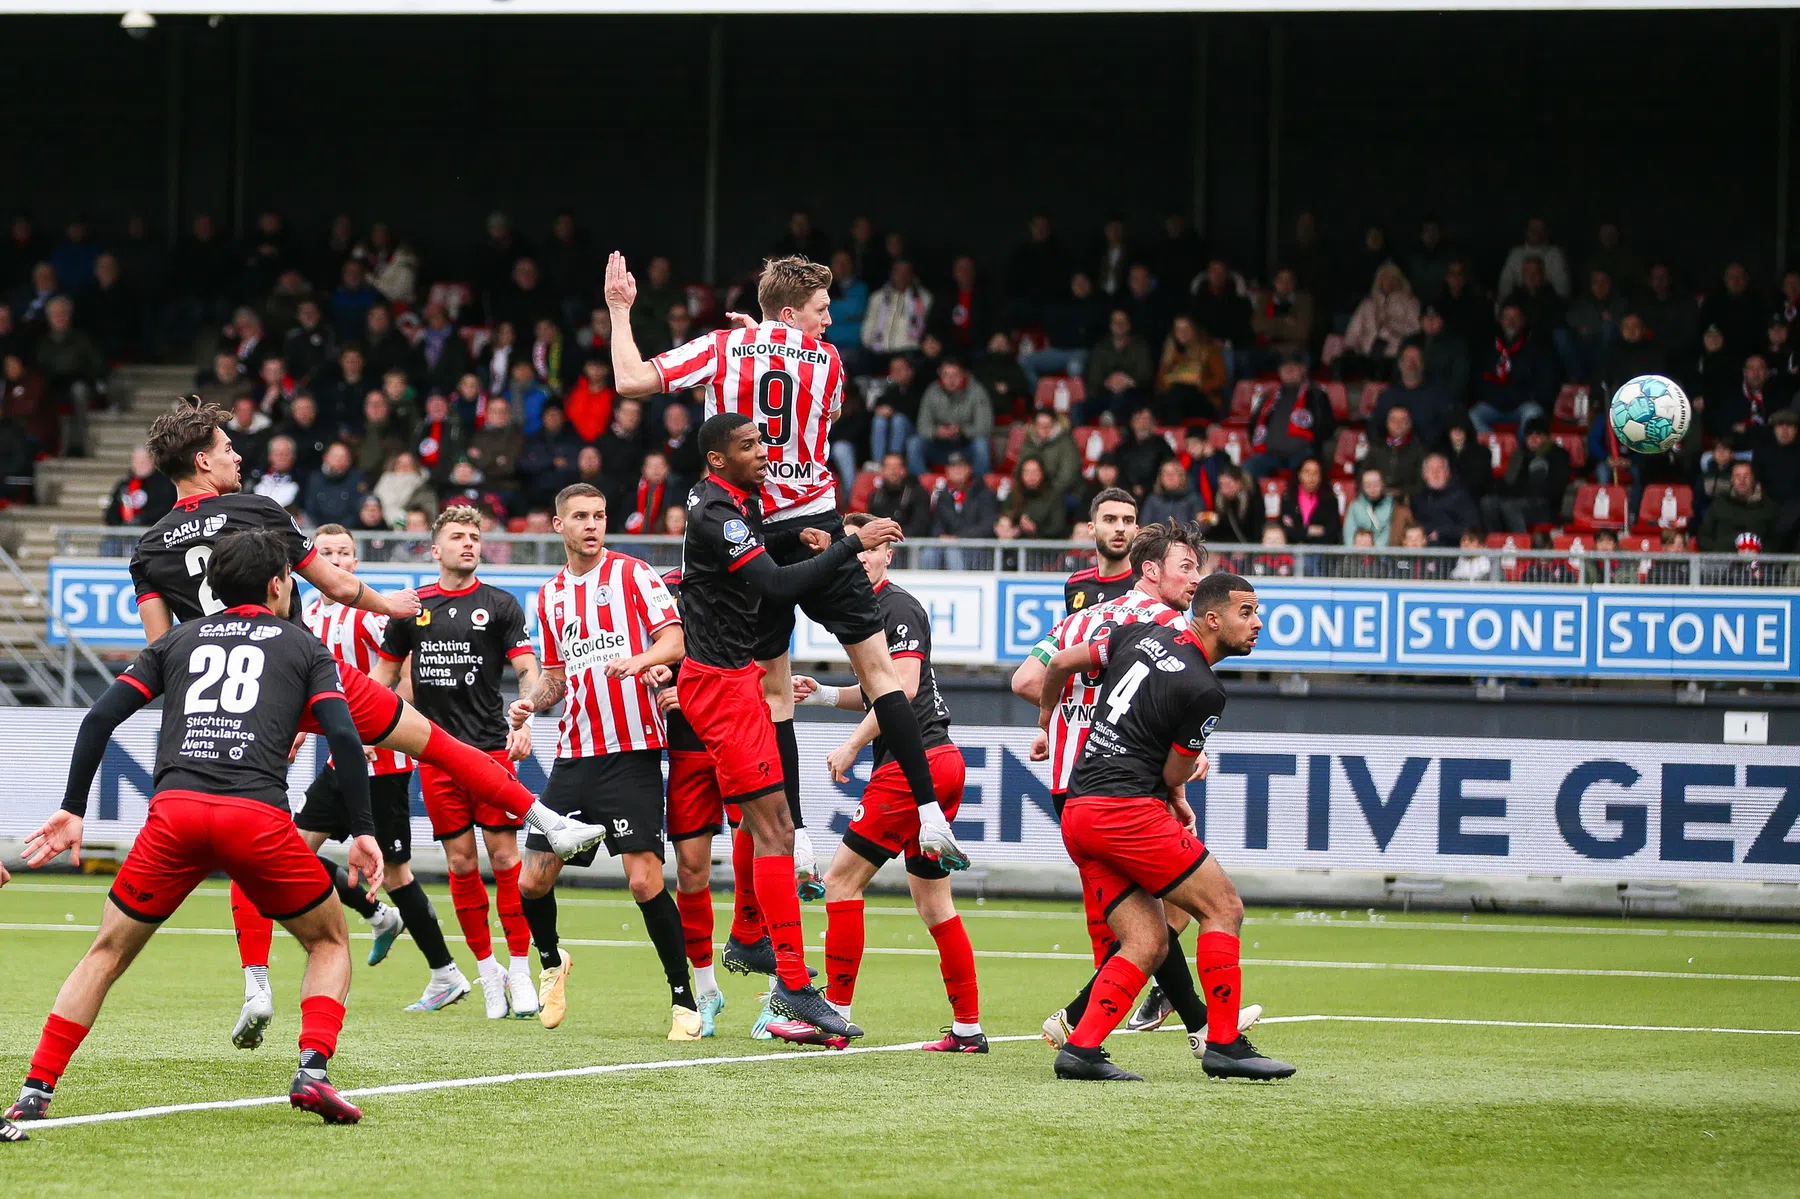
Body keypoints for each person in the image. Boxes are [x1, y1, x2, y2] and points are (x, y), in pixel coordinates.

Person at [607, 252, 968, 906]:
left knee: (776, 693)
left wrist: (620, 308)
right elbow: (820, 413)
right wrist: (773, 342)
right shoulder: (828, 361)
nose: (829, 321)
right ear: (792, 312)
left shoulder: (722, 347)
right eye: (822, 310)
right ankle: (931, 815)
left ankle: (798, 841)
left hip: (754, 531)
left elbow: (631, 380)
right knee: (880, 674)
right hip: (819, 521)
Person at [9, 530, 381, 1125]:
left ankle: (35, 1090)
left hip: (175, 814)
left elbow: (100, 717)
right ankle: (313, 1071)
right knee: (329, 941)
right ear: (279, 584)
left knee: (106, 952)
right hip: (255, 816)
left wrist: (73, 806)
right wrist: (361, 829)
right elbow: (342, 734)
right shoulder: (304, 647)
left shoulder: (178, 639)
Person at [671, 411, 909, 1042]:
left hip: (735, 681)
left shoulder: (727, 501)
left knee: (767, 825)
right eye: (749, 445)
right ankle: (794, 984)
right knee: (776, 829)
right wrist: (848, 544)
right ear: (718, 459)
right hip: (719, 688)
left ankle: (751, 940)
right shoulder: (718, 514)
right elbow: (774, 586)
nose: (764, 451)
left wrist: (792, 534)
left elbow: (755, 554)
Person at [1035, 549, 1282, 1081]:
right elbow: (1173, 771)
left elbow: (1056, 664)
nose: (1257, 623)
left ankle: (1080, 1050)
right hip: (1126, 811)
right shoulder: (1204, 690)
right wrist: (1178, 793)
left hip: (1079, 809)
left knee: (1147, 942)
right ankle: (1223, 1043)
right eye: (1246, 612)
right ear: (1211, 618)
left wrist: (1045, 718)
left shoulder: (1137, 633)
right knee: (1224, 907)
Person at [503, 484, 695, 1035]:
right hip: (574, 756)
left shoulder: (634, 574)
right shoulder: (551, 595)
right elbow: (555, 677)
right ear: (558, 525)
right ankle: (551, 962)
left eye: (600, 516)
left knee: (643, 882)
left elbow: (676, 641)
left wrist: (640, 660)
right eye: (581, 516)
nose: (592, 525)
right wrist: (530, 704)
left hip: (631, 752)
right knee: (531, 882)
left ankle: (683, 1000)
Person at [790, 513, 985, 1050]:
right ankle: (968, 1028)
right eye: (851, 550)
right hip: (941, 760)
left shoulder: (896, 606)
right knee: (935, 905)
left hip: (913, 763)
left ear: (887, 554)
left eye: (868, 550)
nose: (859, 559)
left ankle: (833, 1016)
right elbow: (877, 689)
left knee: (840, 882)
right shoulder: (865, 608)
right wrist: (824, 694)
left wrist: (852, 745)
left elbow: (902, 688)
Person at [371, 507, 544, 1020]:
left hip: (490, 750)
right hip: (436, 756)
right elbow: (382, 677)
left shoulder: (500, 604)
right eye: (457, 537)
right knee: (461, 864)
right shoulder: (411, 609)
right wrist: (351, 724)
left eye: (474, 536)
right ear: (435, 549)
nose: (468, 543)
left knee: (506, 859)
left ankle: (520, 970)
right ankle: (488, 973)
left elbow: (527, 668)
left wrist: (527, 712)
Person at [295, 526, 466, 1011]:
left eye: (344, 553)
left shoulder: (368, 614)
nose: (336, 560)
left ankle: (446, 974)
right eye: (326, 553)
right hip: (343, 760)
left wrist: (373, 730)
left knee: (394, 872)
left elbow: (406, 676)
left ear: (355, 561)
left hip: (384, 761)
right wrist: (299, 732)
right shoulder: (308, 616)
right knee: (292, 851)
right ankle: (377, 916)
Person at [1243, 352, 1336, 480]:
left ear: (1303, 369)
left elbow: (1327, 427)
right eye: (1285, 367)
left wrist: (1310, 444)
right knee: (1249, 467)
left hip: (1302, 454)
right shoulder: (1268, 397)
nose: (1289, 370)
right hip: (1270, 454)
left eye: (1294, 366)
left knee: (1308, 466)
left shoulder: (1316, 395)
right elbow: (1253, 426)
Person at [1470, 303, 1556, 434]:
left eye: (1515, 318)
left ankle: (1519, 448)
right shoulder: (1488, 348)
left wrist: (1516, 397)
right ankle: (1494, 446)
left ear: (1523, 321)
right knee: (1474, 414)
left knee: (1533, 413)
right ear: (1500, 321)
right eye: (1507, 317)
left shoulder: (1537, 349)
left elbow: (1545, 386)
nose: (1511, 322)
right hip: (1494, 405)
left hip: (1523, 405)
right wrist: (1496, 397)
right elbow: (1479, 381)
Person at [1480, 417, 1571, 533]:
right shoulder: (1519, 455)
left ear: (1546, 437)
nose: (1533, 438)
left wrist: (1521, 490)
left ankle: (1521, 542)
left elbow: (1555, 488)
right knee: (1488, 502)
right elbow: (1507, 482)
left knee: (1510, 506)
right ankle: (1495, 540)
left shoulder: (1558, 455)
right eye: (1530, 434)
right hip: (1517, 499)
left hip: (1544, 505)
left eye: (1538, 434)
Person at [909, 358, 994, 475]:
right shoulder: (932, 391)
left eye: (955, 375)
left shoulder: (977, 391)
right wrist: (936, 432)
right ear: (940, 376)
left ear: (963, 375)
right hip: (940, 447)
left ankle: (979, 484)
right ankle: (921, 483)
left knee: (981, 444)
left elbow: (984, 428)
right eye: (946, 375)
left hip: (966, 447)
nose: (950, 380)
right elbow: (922, 425)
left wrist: (961, 430)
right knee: (914, 443)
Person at [1338, 264, 1420, 380]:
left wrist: (1391, 323)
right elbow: (1353, 331)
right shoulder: (1368, 304)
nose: (1388, 281)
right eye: (1384, 278)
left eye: (1392, 278)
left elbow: (1415, 329)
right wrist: (1350, 347)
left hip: (1394, 356)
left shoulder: (1409, 303)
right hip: (1367, 355)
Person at [1063, 487, 1140, 610]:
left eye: (1128, 521)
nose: (1120, 528)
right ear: (1091, 528)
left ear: (1136, 531)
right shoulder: (1076, 585)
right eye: (1110, 520)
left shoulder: (1149, 586)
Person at [920, 452, 999, 569]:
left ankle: (959, 581)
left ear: (970, 469)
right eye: (953, 467)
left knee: (952, 552)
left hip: (976, 548)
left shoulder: (984, 494)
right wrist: (941, 535)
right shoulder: (943, 496)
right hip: (949, 545)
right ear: (947, 471)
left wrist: (959, 538)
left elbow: (988, 525)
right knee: (929, 553)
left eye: (961, 467)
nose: (957, 471)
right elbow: (937, 523)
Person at [1082, 309, 1153, 423]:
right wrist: (1108, 382)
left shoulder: (1140, 346)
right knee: (1078, 408)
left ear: (1129, 325)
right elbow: (1094, 377)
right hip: (1105, 395)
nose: (1119, 325)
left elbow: (1146, 374)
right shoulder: (1101, 347)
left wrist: (1128, 381)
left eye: (1122, 322)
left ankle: (1109, 419)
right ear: (1110, 325)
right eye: (1115, 322)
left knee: (1123, 398)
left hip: (1131, 395)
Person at [1154, 314, 1227, 421]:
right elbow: (1160, 384)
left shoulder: (1209, 350)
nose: (1182, 333)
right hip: (1175, 399)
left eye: (1186, 329)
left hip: (1203, 400)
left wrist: (1199, 385)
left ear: (1194, 330)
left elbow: (1220, 380)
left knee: (1179, 393)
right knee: (1168, 397)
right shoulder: (1170, 353)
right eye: (1178, 330)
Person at [1697, 461, 1778, 553]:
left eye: (1746, 476)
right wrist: (1721, 553)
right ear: (1732, 480)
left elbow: (1775, 541)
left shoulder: (1768, 507)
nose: (1742, 480)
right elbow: (1704, 537)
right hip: (1722, 559)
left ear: (1753, 479)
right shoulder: (1719, 504)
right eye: (1737, 476)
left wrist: (1760, 554)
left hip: (1758, 560)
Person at [1412, 452, 1483, 545]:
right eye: (1431, 469)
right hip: (1424, 549)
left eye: (1440, 468)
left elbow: (1472, 529)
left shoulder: (1461, 497)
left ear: (1447, 473)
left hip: (1454, 549)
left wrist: (1441, 533)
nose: (1435, 473)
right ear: (1424, 475)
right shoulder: (1418, 499)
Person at [104, 445, 175, 530]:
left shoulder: (165, 484)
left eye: (143, 460)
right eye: (136, 460)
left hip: (155, 531)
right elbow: (111, 512)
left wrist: (142, 520)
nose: (140, 464)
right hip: (125, 533)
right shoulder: (125, 485)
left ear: (152, 461)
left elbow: (166, 510)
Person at [1362, 404, 1426, 498]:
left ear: (1409, 424)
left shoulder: (1419, 450)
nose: (1397, 424)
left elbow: (1422, 484)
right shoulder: (1377, 448)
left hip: (1407, 500)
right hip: (1376, 498)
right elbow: (1363, 474)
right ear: (1387, 423)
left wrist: (1400, 492)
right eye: (1393, 420)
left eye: (1402, 420)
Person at [865, 451, 932, 537]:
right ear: (882, 471)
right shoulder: (875, 497)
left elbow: (920, 528)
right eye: (889, 467)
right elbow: (871, 527)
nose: (893, 472)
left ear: (904, 470)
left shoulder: (919, 494)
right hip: (882, 542)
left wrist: (895, 538)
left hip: (910, 542)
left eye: (897, 467)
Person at [1278, 457, 1343, 545]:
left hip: (1320, 550)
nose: (1311, 477)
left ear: (1320, 477)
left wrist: (1301, 533)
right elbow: (1285, 530)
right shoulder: (1288, 498)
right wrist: (1307, 531)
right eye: (1307, 472)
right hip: (1292, 549)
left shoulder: (1330, 501)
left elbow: (1332, 533)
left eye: (1315, 473)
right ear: (1299, 475)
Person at [1003, 457, 1069, 539]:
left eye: (1035, 471)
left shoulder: (1054, 496)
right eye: (1027, 472)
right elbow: (1004, 517)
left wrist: (1036, 529)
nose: (1031, 476)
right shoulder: (1012, 495)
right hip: (1015, 542)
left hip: (1045, 543)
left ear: (1042, 473)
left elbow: (1058, 527)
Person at [1342, 466, 1404, 546]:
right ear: (1362, 486)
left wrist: (1375, 551)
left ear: (1382, 484)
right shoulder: (1354, 506)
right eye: (1368, 485)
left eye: (1376, 484)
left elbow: (1390, 534)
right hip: (1358, 551)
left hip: (1384, 552)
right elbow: (1349, 535)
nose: (1372, 488)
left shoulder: (1393, 507)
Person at [1140, 458, 1203, 527]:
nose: (1169, 476)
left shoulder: (1194, 499)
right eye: (1165, 473)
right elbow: (1144, 525)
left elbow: (1199, 527)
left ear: (1182, 476)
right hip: (1158, 534)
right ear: (1160, 477)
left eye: (1174, 473)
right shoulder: (1152, 500)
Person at [1206, 466, 1260, 545]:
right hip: (1224, 546)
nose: (1224, 489)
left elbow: (1256, 529)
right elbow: (1216, 532)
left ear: (1239, 483)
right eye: (1221, 485)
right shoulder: (1219, 501)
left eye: (1228, 484)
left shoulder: (1253, 500)